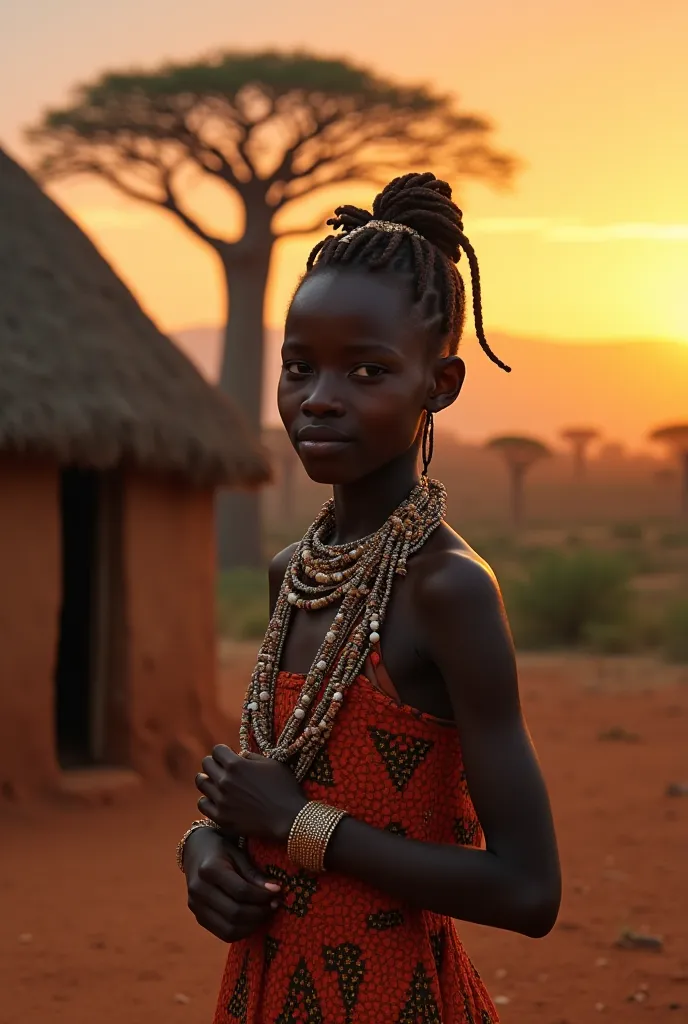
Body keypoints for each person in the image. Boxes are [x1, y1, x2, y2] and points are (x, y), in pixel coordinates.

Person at [179, 172, 561, 1024]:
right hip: (263, 988)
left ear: (442, 383)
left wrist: (303, 823)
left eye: (367, 370)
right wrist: (206, 847)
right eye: (299, 367)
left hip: (395, 999)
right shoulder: (295, 571)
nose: (319, 398)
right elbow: (272, 794)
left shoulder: (448, 590)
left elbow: (530, 889)